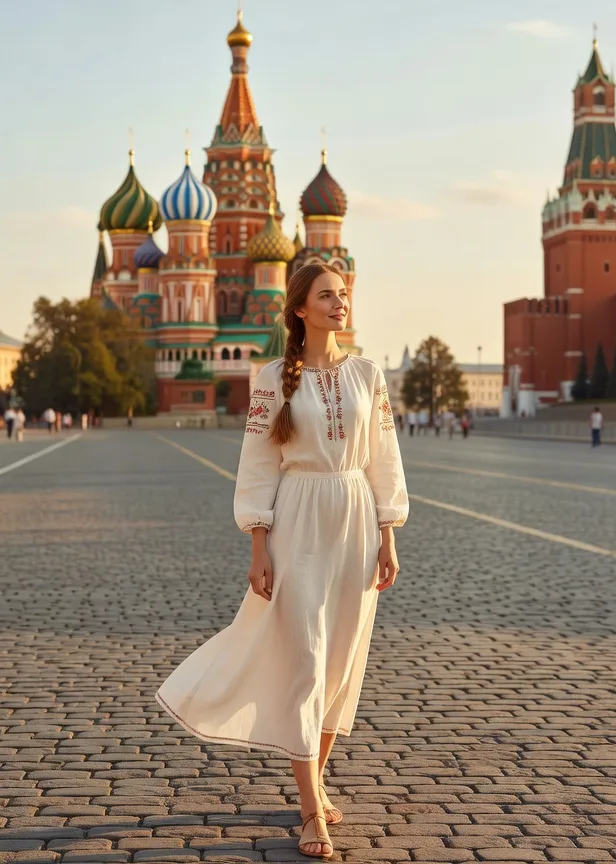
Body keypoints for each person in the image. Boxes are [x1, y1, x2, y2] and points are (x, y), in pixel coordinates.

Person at [154, 263, 408, 860]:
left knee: (341, 661)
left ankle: (313, 783)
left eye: (344, 294)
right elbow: (257, 463)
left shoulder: (369, 375)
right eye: (327, 296)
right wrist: (258, 542)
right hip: (299, 519)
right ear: (300, 307)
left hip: (354, 518)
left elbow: (384, 458)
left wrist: (388, 532)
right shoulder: (271, 378)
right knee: (307, 658)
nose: (339, 303)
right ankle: (312, 809)